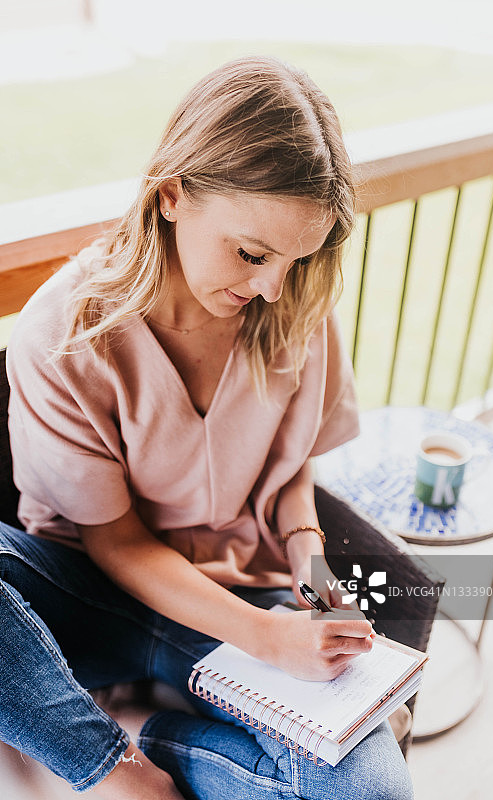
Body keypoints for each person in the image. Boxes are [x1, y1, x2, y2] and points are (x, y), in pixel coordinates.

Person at [0, 56, 414, 800]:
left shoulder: (293, 309)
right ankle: (117, 772)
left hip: (229, 595)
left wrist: (309, 560)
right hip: (83, 591)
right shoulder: (65, 334)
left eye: (297, 260)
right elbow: (115, 542)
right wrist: (266, 639)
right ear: (171, 196)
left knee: (376, 791)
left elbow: (288, 466)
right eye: (252, 254)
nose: (269, 287)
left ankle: (167, 742)